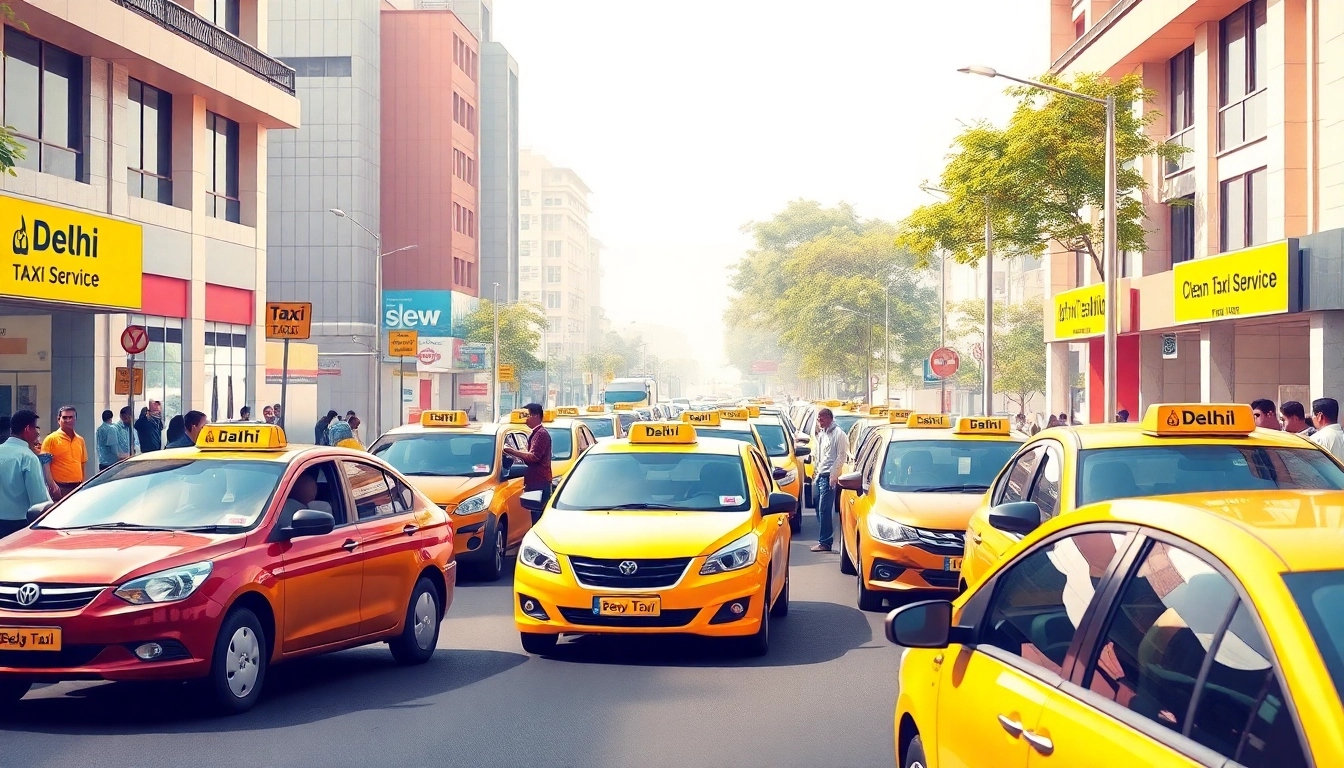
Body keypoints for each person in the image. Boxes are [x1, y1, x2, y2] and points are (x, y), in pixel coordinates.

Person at [0, 410, 52, 538]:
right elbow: (39, 502)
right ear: (28, 429)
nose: (37, 432)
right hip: (18, 525)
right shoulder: (28, 458)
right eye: (36, 428)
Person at [502, 403, 553, 524]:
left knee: (538, 518)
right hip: (536, 481)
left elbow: (533, 457)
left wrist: (512, 451)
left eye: (528, 415)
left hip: (539, 482)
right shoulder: (536, 433)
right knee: (535, 515)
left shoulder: (541, 434)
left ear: (535, 416)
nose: (526, 419)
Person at [810, 407, 849, 553]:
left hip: (829, 477)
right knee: (818, 508)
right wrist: (816, 472)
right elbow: (820, 456)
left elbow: (841, 456)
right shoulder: (822, 434)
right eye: (818, 419)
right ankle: (825, 537)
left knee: (825, 509)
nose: (819, 421)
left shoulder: (839, 434)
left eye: (822, 418)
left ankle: (825, 542)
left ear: (829, 418)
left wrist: (834, 475)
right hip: (820, 475)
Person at [41, 406, 86, 500]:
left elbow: (82, 463)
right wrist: (52, 486)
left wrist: (83, 484)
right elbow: (45, 464)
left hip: (77, 487)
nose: (68, 420)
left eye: (71, 417)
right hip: (60, 487)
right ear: (58, 419)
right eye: (65, 417)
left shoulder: (80, 440)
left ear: (75, 419)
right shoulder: (51, 439)